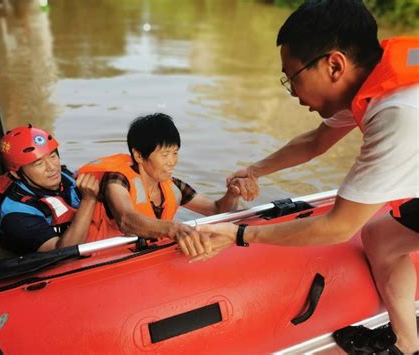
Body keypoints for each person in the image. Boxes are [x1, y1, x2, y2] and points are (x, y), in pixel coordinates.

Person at [182, 1, 419, 353]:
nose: (292, 92)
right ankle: (406, 345)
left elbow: (339, 226)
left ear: (334, 65)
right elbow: (316, 141)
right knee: (382, 238)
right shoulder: (371, 77)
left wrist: (242, 234)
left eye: (293, 77)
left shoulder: (398, 114)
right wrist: (255, 170)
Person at [78, 113, 258, 244]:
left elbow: (216, 210)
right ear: (139, 156)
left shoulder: (172, 186)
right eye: (165, 155)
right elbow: (126, 219)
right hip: (104, 263)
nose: (172, 162)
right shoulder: (117, 180)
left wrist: (232, 194)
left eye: (175, 153)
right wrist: (173, 228)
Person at [0, 125, 99, 254]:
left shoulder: (65, 176)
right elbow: (64, 254)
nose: (52, 168)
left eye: (53, 156)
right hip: (46, 262)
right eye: (39, 163)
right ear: (16, 174)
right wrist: (88, 200)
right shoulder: (16, 217)